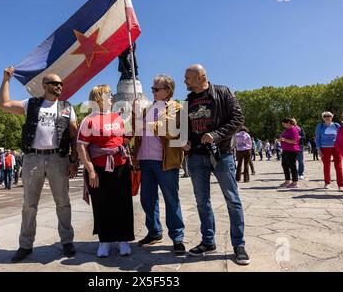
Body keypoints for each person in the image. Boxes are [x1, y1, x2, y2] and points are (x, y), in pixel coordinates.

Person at [0, 67, 78, 262]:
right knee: (29, 205)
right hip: (33, 158)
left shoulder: (68, 107)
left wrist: (73, 160)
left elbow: (74, 136)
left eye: (61, 84)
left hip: (58, 159)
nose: (59, 86)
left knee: (63, 203)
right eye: (55, 83)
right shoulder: (31, 104)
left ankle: (67, 241)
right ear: (45, 85)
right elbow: (4, 104)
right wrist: (6, 80)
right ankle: (25, 245)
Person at [183, 64, 250, 265]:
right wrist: (185, 142)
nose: (184, 81)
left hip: (222, 155)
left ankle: (238, 245)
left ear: (200, 77)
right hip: (195, 157)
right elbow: (186, 127)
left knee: (232, 199)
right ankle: (208, 241)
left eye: (188, 77)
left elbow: (238, 119)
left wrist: (216, 135)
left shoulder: (223, 92)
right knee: (202, 201)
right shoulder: (188, 100)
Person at [77, 85, 134, 258]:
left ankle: (123, 239)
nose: (111, 96)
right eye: (108, 94)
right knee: (102, 204)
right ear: (98, 98)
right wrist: (91, 171)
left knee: (122, 203)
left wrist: (136, 113)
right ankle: (105, 240)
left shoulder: (118, 117)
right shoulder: (88, 120)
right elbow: (81, 147)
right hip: (99, 169)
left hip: (121, 166)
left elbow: (129, 136)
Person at [132, 75, 186, 256]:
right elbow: (135, 129)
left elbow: (169, 129)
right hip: (145, 160)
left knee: (171, 199)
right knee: (147, 199)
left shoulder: (177, 107)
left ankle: (177, 237)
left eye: (156, 89)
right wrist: (134, 113)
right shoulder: (147, 109)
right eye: (152, 88)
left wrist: (145, 122)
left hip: (165, 161)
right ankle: (154, 232)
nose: (152, 91)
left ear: (167, 90)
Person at [315, 112, 343, 190]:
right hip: (324, 148)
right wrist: (318, 149)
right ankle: (327, 182)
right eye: (325, 116)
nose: (327, 117)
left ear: (332, 117)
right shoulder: (319, 126)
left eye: (329, 116)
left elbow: (341, 136)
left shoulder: (336, 125)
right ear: (322, 117)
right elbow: (317, 138)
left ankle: (340, 185)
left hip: (336, 148)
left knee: (339, 166)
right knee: (326, 166)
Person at [279, 118, 300, 188]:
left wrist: (284, 139)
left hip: (292, 150)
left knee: (292, 166)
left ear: (288, 122)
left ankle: (295, 182)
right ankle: (287, 180)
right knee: (284, 165)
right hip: (286, 150)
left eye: (284, 124)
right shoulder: (287, 130)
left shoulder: (293, 129)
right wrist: (281, 139)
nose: (283, 125)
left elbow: (294, 141)